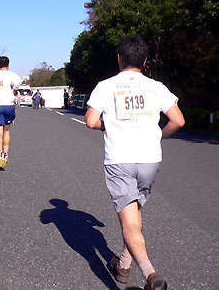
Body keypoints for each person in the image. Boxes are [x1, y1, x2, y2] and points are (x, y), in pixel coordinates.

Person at [85, 36, 185, 290]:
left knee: (129, 219)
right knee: (137, 210)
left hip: (120, 159)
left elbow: (91, 120)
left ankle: (151, 275)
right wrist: (158, 135)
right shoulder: (156, 87)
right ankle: (123, 266)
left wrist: (105, 125)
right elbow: (179, 121)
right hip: (150, 159)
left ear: (119, 58)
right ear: (145, 59)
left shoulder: (106, 86)